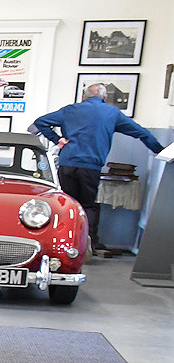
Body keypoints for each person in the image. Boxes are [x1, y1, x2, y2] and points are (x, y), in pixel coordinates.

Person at [30, 83, 164, 254]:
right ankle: (88, 245)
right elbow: (141, 133)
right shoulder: (112, 113)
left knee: (66, 204)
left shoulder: (70, 110)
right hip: (90, 166)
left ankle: (60, 244)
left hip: (67, 164)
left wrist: (57, 139)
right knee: (89, 205)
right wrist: (160, 151)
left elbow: (40, 122)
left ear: (84, 96)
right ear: (105, 97)